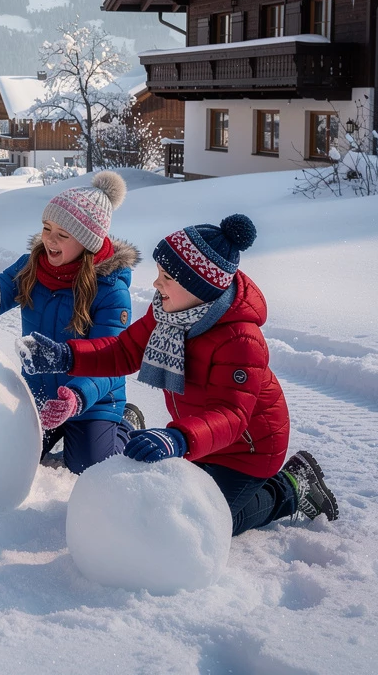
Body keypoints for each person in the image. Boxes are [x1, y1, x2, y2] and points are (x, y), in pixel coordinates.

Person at [17, 214, 338, 535]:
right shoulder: (168, 312)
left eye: (167, 277)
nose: (156, 284)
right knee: (169, 506)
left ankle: (292, 486)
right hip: (198, 436)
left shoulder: (241, 340)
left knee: (210, 523)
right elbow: (123, 351)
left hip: (248, 449)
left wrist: (179, 439)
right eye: (159, 273)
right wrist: (66, 355)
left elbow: (231, 415)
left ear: (198, 286)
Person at [0, 171, 143, 474]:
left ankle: (127, 425)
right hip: (39, 393)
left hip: (93, 399)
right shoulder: (30, 267)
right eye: (47, 228)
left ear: (88, 243)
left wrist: (77, 397)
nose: (49, 239)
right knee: (13, 453)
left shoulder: (111, 290)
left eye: (62, 235)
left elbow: (110, 357)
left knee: (88, 466)